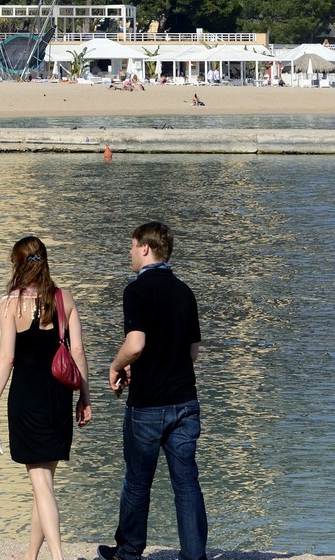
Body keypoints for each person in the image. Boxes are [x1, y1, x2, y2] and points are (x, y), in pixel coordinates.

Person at [98, 222, 206, 560]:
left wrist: (118, 366)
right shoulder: (185, 291)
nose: (129, 252)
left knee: (137, 481)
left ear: (145, 248)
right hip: (185, 401)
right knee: (186, 483)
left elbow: (136, 343)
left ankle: (129, 551)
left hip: (148, 404)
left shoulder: (137, 291)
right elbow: (192, 352)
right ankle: (194, 555)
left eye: (131, 246)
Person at [0, 236, 92, 560]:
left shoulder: (10, 304)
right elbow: (78, 351)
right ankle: (31, 557)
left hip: (27, 398)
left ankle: (57, 556)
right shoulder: (64, 299)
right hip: (58, 396)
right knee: (43, 483)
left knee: (41, 483)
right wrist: (84, 398)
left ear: (17, 265)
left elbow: (6, 359)